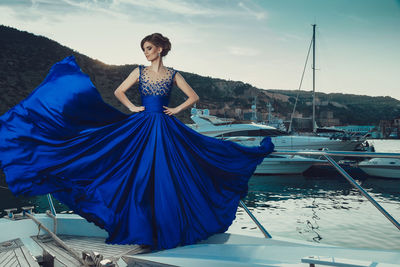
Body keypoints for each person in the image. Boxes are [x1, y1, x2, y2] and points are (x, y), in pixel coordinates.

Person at [0, 33, 274, 251]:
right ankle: (144, 230)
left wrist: (177, 111)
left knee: (168, 177)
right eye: (143, 48)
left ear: (161, 49)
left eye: (149, 48)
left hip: (165, 127)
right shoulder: (139, 72)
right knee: (137, 177)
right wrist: (132, 107)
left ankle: (163, 230)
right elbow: (119, 91)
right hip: (143, 126)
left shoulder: (173, 74)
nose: (146, 52)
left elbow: (193, 97)